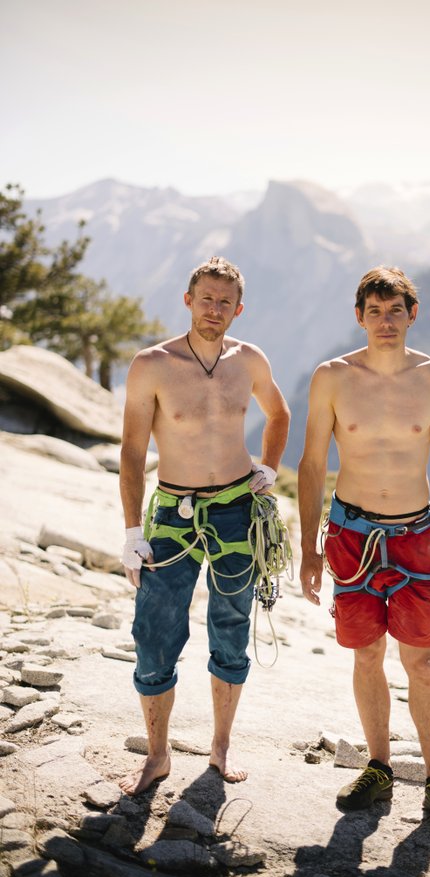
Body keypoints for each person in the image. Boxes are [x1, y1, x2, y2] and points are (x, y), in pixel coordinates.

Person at [298, 266, 430, 827]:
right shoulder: (333, 376)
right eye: (375, 311)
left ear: (412, 314)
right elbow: (312, 464)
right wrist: (308, 548)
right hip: (350, 535)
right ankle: (378, 766)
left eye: (396, 310)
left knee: (420, 660)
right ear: (359, 317)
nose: (386, 321)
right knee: (366, 653)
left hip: (416, 536)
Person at [119, 256, 290, 795]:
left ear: (238, 309)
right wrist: (130, 534)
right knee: (154, 631)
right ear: (188, 300)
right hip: (172, 512)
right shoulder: (153, 364)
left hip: (239, 506)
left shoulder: (250, 360)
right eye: (206, 298)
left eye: (225, 302)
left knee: (232, 627)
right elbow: (130, 453)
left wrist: (269, 467)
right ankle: (157, 755)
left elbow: (280, 414)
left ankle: (220, 746)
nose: (214, 309)